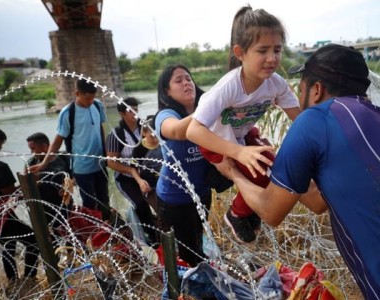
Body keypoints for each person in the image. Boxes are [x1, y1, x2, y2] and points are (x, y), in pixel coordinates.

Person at [215, 44, 380, 298]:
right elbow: (316, 201)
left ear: (316, 90)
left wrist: (234, 173)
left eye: (300, 87)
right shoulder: (371, 117)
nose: (297, 94)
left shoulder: (315, 119)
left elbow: (271, 211)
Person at [186, 5, 301, 243]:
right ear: (240, 52)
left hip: (242, 135)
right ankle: (236, 214)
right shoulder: (229, 86)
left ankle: (248, 209)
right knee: (260, 167)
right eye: (262, 51)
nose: (272, 59)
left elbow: (300, 119)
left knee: (273, 165)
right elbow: (193, 131)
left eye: (277, 50)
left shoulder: (276, 84)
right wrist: (238, 152)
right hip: (215, 141)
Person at [29, 79, 111, 221]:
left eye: (93, 97)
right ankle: (95, 234)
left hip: (100, 163)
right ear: (77, 93)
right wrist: (43, 164)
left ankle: (109, 230)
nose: (90, 101)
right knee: (89, 203)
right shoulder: (68, 113)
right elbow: (57, 141)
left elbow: (100, 128)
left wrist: (106, 152)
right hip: (82, 167)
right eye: (87, 98)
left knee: (104, 198)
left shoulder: (97, 105)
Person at [155, 64, 212, 267]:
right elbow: (178, 131)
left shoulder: (204, 109)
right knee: (186, 253)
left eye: (188, 78)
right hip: (175, 199)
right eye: (178, 81)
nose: (186, 83)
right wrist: (212, 107)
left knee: (196, 239)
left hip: (202, 192)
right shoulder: (165, 115)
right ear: (167, 91)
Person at [0, 127, 39, 283]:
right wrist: (30, 184)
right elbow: (10, 194)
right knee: (34, 241)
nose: (0, 149)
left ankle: (13, 281)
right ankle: (29, 278)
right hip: (0, 213)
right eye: (0, 144)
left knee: (8, 245)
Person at [105, 97, 156, 244]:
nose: (135, 112)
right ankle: (152, 236)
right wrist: (132, 171)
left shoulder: (145, 127)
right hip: (126, 178)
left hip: (149, 174)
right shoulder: (117, 135)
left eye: (136, 108)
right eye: (130, 110)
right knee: (140, 204)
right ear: (122, 114)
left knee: (161, 202)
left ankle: (162, 229)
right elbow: (111, 162)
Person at [25, 132, 72, 244]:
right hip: (44, 207)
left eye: (33, 148)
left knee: (70, 234)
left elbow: (74, 176)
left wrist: (68, 186)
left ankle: (71, 257)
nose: (31, 152)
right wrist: (36, 183)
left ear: (44, 146)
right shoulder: (32, 162)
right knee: (52, 238)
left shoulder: (63, 157)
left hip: (64, 203)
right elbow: (27, 186)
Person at [132, 115, 163, 213]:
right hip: (151, 186)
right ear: (144, 133)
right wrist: (140, 181)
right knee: (160, 210)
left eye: (157, 135)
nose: (155, 139)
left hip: (166, 182)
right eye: (152, 136)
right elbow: (133, 168)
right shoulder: (139, 149)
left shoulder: (164, 142)